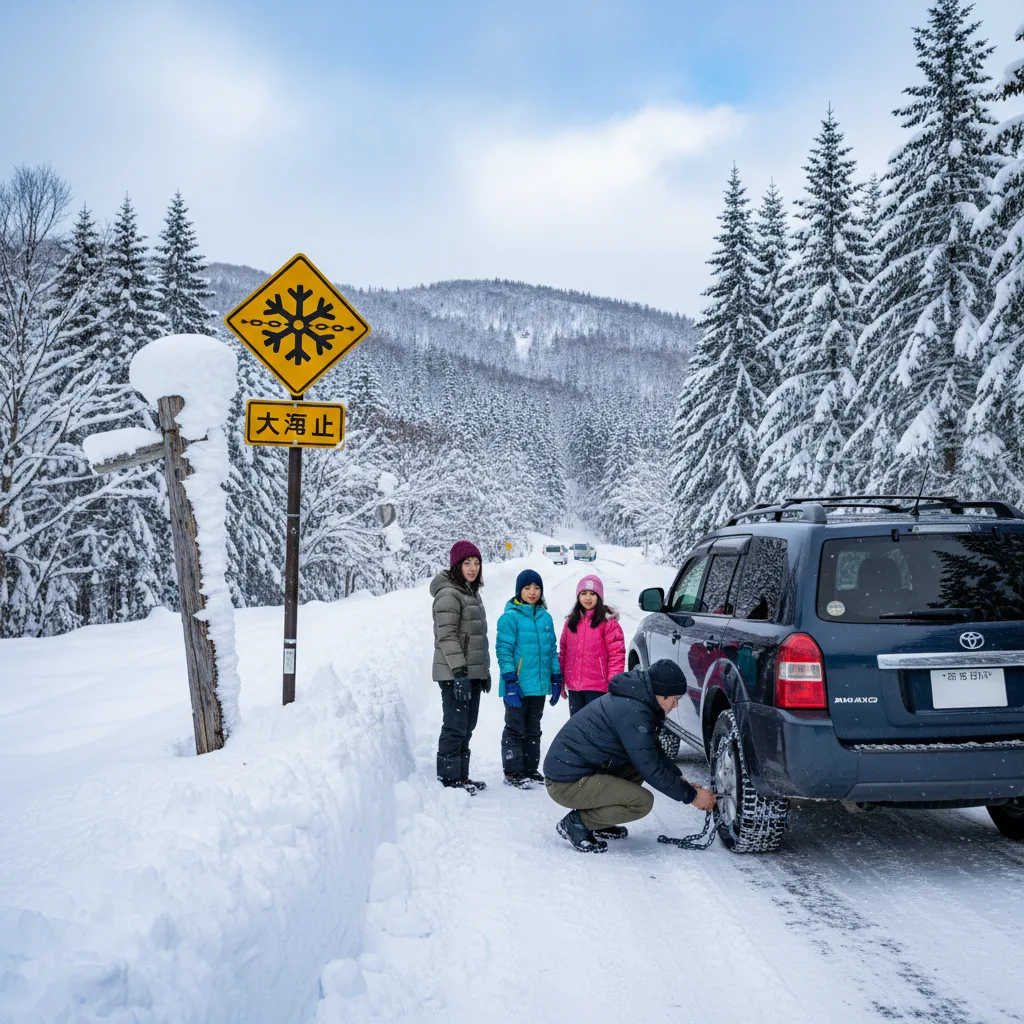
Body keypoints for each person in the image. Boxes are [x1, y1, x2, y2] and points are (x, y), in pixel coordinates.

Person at [543, 660, 716, 852]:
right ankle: (577, 824)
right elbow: (651, 768)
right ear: (660, 692)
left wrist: (677, 778)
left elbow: (651, 750)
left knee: (636, 766)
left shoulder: (637, 702)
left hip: (582, 771)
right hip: (566, 783)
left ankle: (600, 821)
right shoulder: (634, 712)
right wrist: (691, 796)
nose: (675, 704)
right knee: (641, 803)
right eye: (673, 698)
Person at [431, 540, 490, 794]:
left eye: (476, 563)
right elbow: (447, 636)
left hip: (469, 673)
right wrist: (460, 673)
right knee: (455, 725)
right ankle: (448, 778)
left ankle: (461, 777)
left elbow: (478, 638)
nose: (473, 568)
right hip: (455, 673)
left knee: (467, 725)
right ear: (456, 564)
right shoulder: (448, 594)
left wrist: (482, 672)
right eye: (467, 563)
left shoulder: (470, 592)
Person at [495, 569, 563, 789]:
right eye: (527, 588)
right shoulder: (510, 617)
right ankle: (513, 772)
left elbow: (552, 650)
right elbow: (503, 650)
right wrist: (509, 680)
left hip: (539, 684)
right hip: (517, 685)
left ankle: (531, 770)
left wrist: (555, 677)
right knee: (515, 727)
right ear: (519, 591)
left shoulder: (545, 617)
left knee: (534, 727)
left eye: (536, 588)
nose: (532, 592)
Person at [559, 575, 626, 716]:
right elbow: (564, 653)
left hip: (598, 687)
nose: (588, 598)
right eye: (583, 593)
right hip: (575, 686)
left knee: (595, 726)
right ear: (578, 596)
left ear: (599, 596)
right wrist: (561, 680)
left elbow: (616, 655)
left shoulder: (608, 623)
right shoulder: (571, 622)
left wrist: (613, 683)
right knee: (577, 725)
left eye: (592, 594)